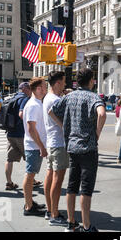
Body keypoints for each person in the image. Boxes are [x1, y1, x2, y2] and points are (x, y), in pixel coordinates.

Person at [49, 68, 107, 232]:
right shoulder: (93, 97)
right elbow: (102, 114)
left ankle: (71, 222)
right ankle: (87, 225)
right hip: (88, 148)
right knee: (86, 188)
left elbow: (51, 111)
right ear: (91, 81)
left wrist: (64, 126)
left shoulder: (69, 96)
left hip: (72, 146)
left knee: (72, 186)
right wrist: (97, 133)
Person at [43, 71, 69, 226]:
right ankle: (54, 214)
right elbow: (57, 117)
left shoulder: (48, 97)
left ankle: (50, 209)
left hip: (52, 142)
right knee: (57, 180)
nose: (65, 85)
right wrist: (65, 127)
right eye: (64, 82)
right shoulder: (55, 100)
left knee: (50, 176)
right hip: (59, 143)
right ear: (58, 83)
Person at [22, 77, 48, 216]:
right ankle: (28, 207)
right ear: (38, 89)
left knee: (31, 175)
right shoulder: (33, 105)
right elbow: (31, 128)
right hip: (33, 146)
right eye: (44, 86)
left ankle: (29, 202)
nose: (46, 89)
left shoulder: (36, 103)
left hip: (34, 145)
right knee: (30, 175)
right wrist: (41, 147)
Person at [5, 82, 31, 191]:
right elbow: (22, 115)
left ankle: (9, 182)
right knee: (30, 158)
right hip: (21, 134)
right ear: (26, 89)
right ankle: (31, 181)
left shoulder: (12, 98)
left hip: (10, 133)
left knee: (9, 159)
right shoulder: (24, 99)